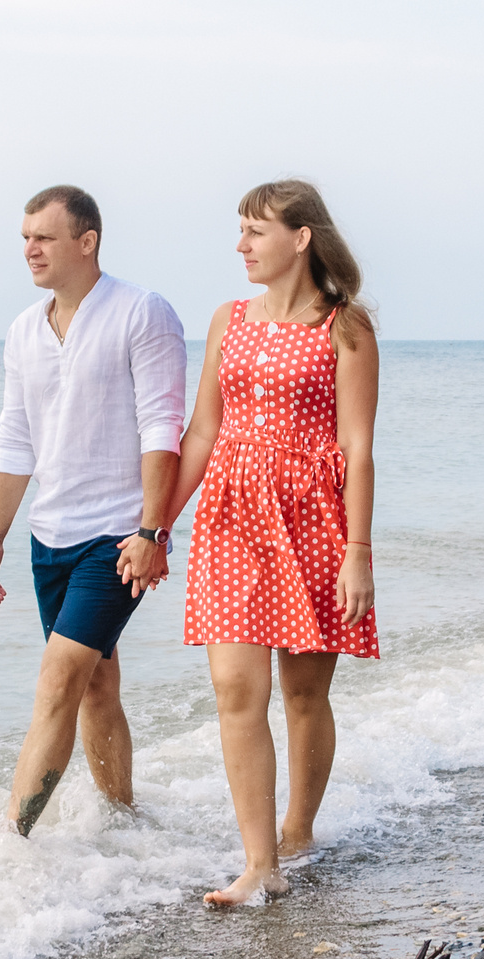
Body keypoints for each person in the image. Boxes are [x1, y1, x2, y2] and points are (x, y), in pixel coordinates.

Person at [160, 179, 379, 906]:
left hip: (315, 517)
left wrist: (358, 553)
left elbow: (356, 446)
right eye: (241, 230)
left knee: (304, 692)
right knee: (234, 689)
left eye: (256, 231)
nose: (241, 245)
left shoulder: (346, 327)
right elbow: (201, 432)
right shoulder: (229, 319)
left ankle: (299, 829)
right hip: (231, 513)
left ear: (300, 238)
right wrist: (153, 524)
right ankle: (259, 863)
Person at [0, 185, 188, 837]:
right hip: (49, 535)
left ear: (85, 241)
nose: (30, 248)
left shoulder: (141, 312)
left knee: (59, 679)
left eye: (43, 236)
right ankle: (125, 820)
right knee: (96, 685)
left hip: (116, 535)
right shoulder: (22, 331)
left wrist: (153, 529)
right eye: (25, 237)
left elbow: (162, 425)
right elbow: (15, 437)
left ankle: (12, 838)